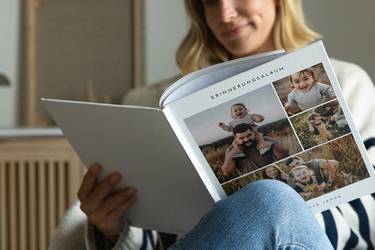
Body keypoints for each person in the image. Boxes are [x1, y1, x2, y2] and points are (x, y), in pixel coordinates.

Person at [49, 0, 375, 249]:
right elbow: (168, 235)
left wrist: (271, 205)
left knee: (269, 199)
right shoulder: (165, 105)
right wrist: (111, 229)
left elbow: (368, 223)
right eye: (208, 1)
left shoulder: (345, 83)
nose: (224, 13)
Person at [221, 123, 289, 177]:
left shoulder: (267, 140)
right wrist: (232, 153)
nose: (246, 139)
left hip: (273, 175)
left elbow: (285, 155)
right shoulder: (231, 150)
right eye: (241, 138)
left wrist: (268, 145)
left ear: (254, 133)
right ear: (235, 138)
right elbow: (227, 173)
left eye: (249, 135)